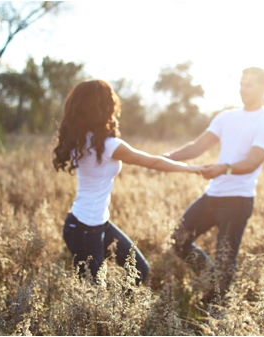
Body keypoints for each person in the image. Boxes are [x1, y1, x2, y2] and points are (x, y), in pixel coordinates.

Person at [52, 79, 202, 284]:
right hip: (85, 230)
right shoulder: (108, 145)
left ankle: (119, 312)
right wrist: (194, 169)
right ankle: (106, 315)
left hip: (94, 224)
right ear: (105, 107)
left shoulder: (80, 139)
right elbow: (153, 162)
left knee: (139, 270)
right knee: (92, 297)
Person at [164, 67, 264, 304]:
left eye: (249, 85)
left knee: (226, 259)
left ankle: (216, 308)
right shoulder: (226, 117)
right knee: (179, 240)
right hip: (212, 196)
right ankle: (211, 278)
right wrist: (166, 158)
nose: (243, 89)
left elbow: (252, 161)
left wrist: (224, 168)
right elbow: (197, 146)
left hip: (238, 200)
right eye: (241, 84)